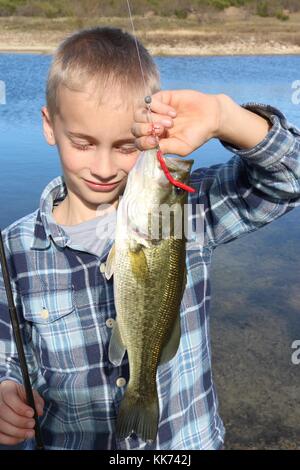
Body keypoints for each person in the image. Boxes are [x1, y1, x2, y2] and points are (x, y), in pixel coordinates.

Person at [0, 26, 299, 451]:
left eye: (125, 146)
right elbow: (8, 351)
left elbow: (289, 179)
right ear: (50, 127)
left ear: (149, 139)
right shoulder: (12, 251)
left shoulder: (186, 215)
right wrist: (6, 387)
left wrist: (224, 117)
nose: (103, 167)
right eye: (83, 143)